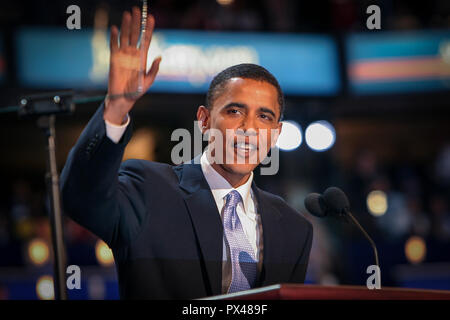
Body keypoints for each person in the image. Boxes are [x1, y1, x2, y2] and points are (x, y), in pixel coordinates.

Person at [60, 6, 313, 299]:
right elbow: (79, 198)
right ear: (204, 121)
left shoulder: (295, 228)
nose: (249, 128)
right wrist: (116, 108)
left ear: (276, 134)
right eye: (234, 111)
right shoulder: (148, 189)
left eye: (264, 117)